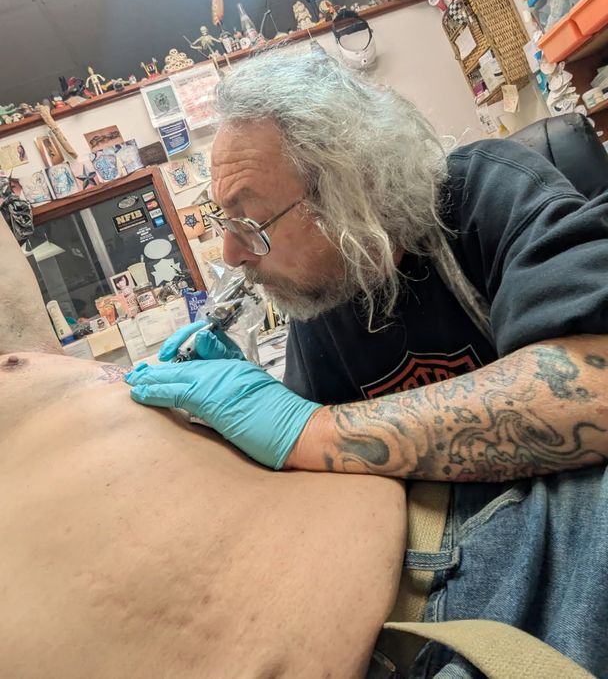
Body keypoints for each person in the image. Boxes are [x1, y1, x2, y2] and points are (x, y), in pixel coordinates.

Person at [128, 49, 608, 677]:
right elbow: (318, 483)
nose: (233, 254)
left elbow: (592, 387)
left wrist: (303, 428)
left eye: (251, 222)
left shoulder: (488, 192)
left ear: (352, 186)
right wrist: (234, 431)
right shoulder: (323, 292)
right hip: (435, 561)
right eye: (227, 223)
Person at [0, 213, 407, 677]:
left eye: (248, 219)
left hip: (398, 551)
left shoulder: (322, 295)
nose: (232, 253)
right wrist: (300, 423)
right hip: (390, 602)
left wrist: (296, 420)